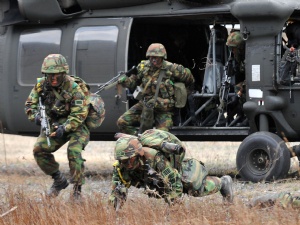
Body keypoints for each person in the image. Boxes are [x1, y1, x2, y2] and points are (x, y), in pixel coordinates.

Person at [108, 133, 234, 209]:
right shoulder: (121, 166)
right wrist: (115, 210)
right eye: (123, 160)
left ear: (138, 154)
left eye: (129, 160)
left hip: (172, 169)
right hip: (152, 179)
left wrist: (173, 211)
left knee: (193, 188)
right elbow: (116, 190)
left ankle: (223, 182)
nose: (126, 164)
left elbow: (174, 182)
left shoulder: (154, 157)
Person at [24, 54, 90, 199]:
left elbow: (79, 114)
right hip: (54, 125)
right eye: (49, 75)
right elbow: (30, 105)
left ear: (63, 73)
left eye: (57, 75)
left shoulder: (74, 88)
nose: (53, 79)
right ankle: (58, 180)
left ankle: (77, 191)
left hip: (76, 126)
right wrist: (35, 116)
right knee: (39, 150)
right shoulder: (41, 85)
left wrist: (65, 128)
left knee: (74, 151)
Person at [116, 43, 195, 135]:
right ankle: (140, 138)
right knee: (122, 122)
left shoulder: (173, 69)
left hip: (164, 110)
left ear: (162, 57)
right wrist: (125, 81)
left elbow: (190, 79)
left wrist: (183, 93)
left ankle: (151, 141)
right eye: (151, 57)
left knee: (161, 136)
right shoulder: (143, 67)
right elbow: (134, 83)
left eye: (156, 57)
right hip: (145, 105)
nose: (153, 59)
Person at [225, 31, 248, 126]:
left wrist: (239, 94)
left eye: (233, 48)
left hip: (253, 83)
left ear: (240, 47)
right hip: (244, 81)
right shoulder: (238, 58)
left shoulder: (248, 57)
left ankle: (247, 117)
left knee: (240, 90)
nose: (232, 51)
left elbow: (250, 78)